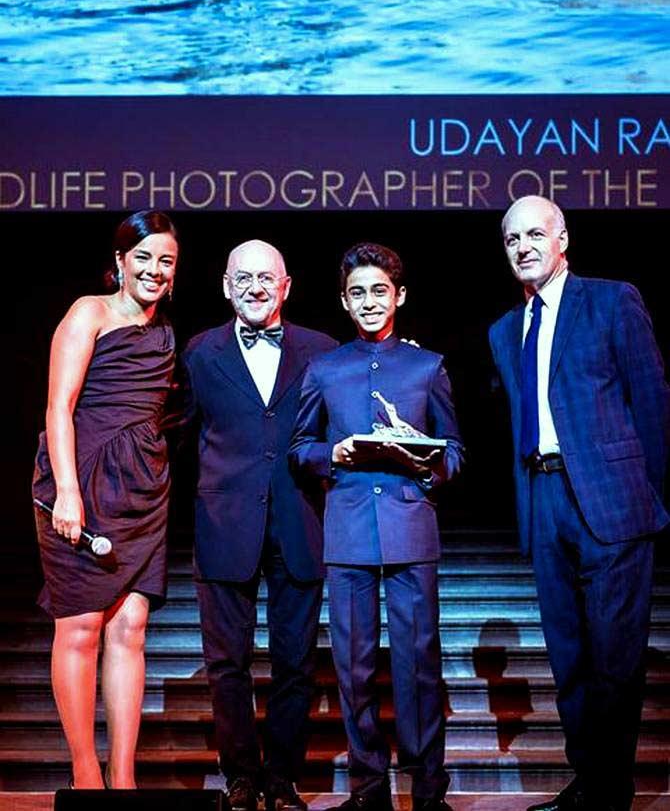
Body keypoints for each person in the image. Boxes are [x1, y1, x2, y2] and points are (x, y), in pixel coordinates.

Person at [489, 195, 670, 811]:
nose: (524, 247)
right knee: (568, 659)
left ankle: (609, 794)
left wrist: (643, 495)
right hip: (544, 498)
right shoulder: (503, 330)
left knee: (615, 660)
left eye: (535, 234)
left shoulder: (613, 300)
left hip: (611, 504)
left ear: (562, 237)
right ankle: (590, 781)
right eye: (512, 240)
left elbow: (651, 402)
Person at [289, 243, 463, 811]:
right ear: (344, 301)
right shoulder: (325, 368)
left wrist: (428, 460)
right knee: (354, 667)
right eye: (357, 292)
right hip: (347, 534)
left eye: (378, 291)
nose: (369, 302)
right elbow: (299, 448)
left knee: (419, 666)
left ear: (400, 296)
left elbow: (455, 450)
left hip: (411, 527)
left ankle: (427, 790)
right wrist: (330, 454)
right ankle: (368, 789)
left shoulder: (426, 366)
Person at [181, 240, 337, 811]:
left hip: (299, 521)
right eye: (243, 278)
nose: (255, 287)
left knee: (295, 662)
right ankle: (240, 777)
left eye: (266, 278)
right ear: (225, 286)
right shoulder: (200, 353)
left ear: (286, 286)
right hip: (223, 525)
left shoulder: (322, 350)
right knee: (228, 663)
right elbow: (177, 434)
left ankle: (282, 777)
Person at [32, 210, 179, 789]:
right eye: (143, 257)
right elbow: (58, 409)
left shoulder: (166, 334)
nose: (154, 269)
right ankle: (86, 773)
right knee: (80, 628)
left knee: (132, 626)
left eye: (166, 261)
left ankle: (125, 781)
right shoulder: (88, 312)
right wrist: (67, 491)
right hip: (82, 479)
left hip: (142, 487)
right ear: (119, 261)